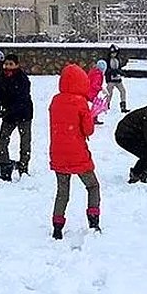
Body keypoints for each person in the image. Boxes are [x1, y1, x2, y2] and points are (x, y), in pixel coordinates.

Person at [49, 64, 102, 240]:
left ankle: (57, 227)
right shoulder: (80, 103)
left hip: (58, 153)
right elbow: (88, 131)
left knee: (62, 191)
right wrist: (91, 114)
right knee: (92, 186)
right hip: (77, 153)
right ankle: (93, 221)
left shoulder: (55, 101)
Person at [0, 54, 32, 180]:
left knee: (25, 143)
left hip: (23, 115)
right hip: (8, 116)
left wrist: (8, 110)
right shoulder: (0, 78)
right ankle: (5, 169)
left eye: (11, 64)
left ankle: (23, 169)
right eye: (6, 64)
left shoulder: (23, 80)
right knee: (2, 142)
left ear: (17, 65)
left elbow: (22, 99)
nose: (8, 67)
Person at [105, 44, 130, 113]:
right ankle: (106, 105)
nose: (114, 54)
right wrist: (112, 72)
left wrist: (120, 72)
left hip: (118, 79)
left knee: (123, 91)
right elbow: (106, 70)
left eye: (115, 53)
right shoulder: (107, 60)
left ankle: (123, 106)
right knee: (109, 93)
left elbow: (118, 68)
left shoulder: (117, 59)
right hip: (111, 80)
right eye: (112, 53)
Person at [87, 60, 107, 125]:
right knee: (95, 106)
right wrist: (101, 89)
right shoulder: (98, 75)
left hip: (89, 91)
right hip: (92, 92)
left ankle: (93, 118)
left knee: (94, 105)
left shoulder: (94, 72)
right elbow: (94, 85)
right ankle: (92, 119)